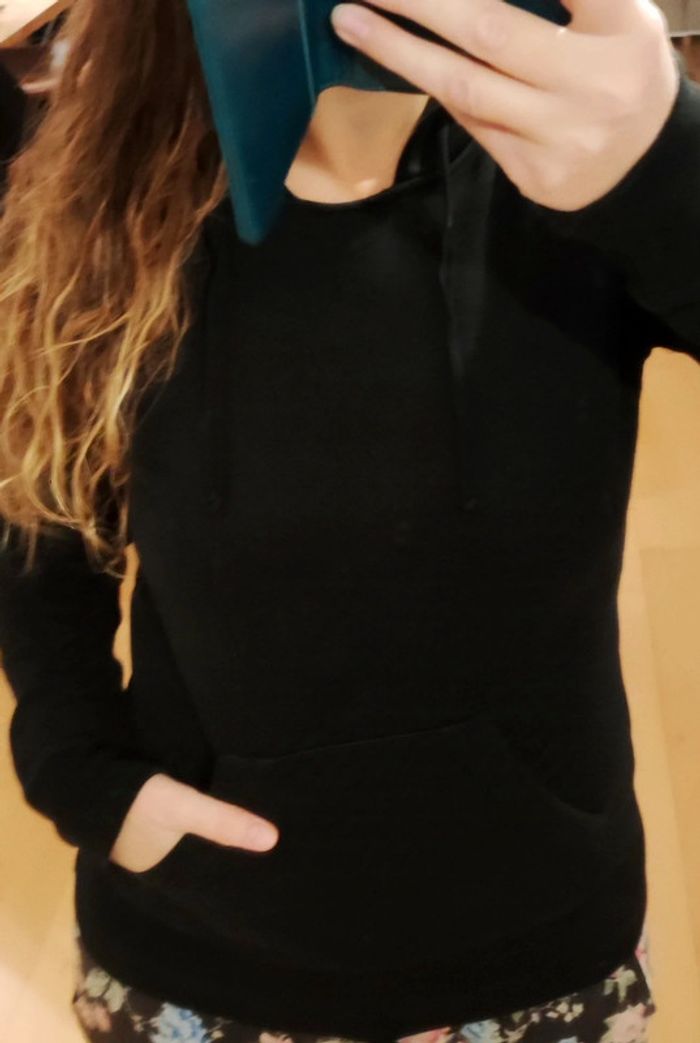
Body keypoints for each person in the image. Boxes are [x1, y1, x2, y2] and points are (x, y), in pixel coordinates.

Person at [0, 0, 697, 1041]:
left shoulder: (576, 168)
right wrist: (84, 773)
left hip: (539, 950)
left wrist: (666, 165)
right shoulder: (99, 191)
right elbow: (40, 519)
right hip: (196, 957)